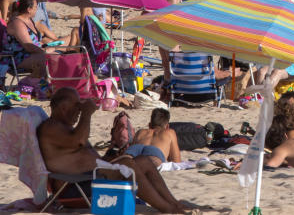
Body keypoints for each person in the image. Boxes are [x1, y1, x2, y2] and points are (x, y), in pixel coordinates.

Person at [37, 88, 188, 213]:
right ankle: (168, 209)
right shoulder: (51, 127)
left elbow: (79, 148)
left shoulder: (63, 128)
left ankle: (174, 203)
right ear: (63, 108)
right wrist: (87, 114)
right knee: (128, 165)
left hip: (89, 179)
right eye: (77, 106)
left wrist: (109, 159)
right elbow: (80, 141)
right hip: (74, 187)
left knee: (143, 161)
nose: (79, 109)